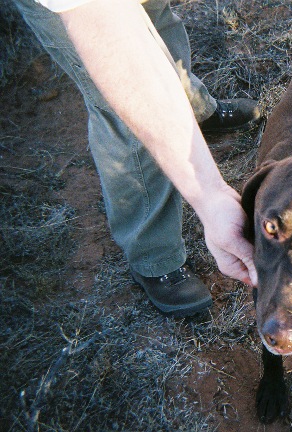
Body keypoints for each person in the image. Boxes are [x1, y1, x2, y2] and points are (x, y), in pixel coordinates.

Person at [13, 0, 260, 317]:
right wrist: (210, 194)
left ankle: (193, 109)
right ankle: (154, 257)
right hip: (91, 12)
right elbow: (119, 52)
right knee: (130, 114)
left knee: (160, 28)